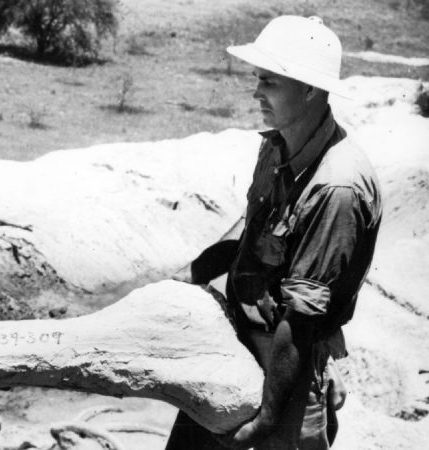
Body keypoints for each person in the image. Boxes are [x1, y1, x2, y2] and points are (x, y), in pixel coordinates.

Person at [165, 15, 382, 449]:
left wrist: (267, 419)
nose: (256, 91)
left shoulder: (336, 187)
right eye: (257, 78)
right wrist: (185, 280)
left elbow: (301, 322)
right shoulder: (276, 147)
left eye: (270, 82)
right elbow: (252, 244)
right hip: (238, 348)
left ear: (310, 89)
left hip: (286, 378)